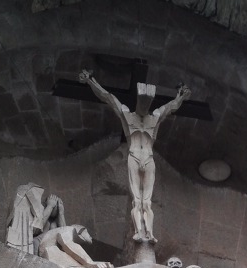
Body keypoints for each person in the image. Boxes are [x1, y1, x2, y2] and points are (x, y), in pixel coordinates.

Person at [79, 71, 191, 243]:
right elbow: (108, 97)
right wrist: (90, 81)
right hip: (133, 157)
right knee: (137, 201)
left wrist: (181, 96)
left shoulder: (155, 117)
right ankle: (139, 232)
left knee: (147, 203)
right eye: (142, 102)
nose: (144, 106)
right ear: (138, 102)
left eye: (147, 103)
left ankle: (149, 234)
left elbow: (172, 107)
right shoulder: (127, 115)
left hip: (148, 158)